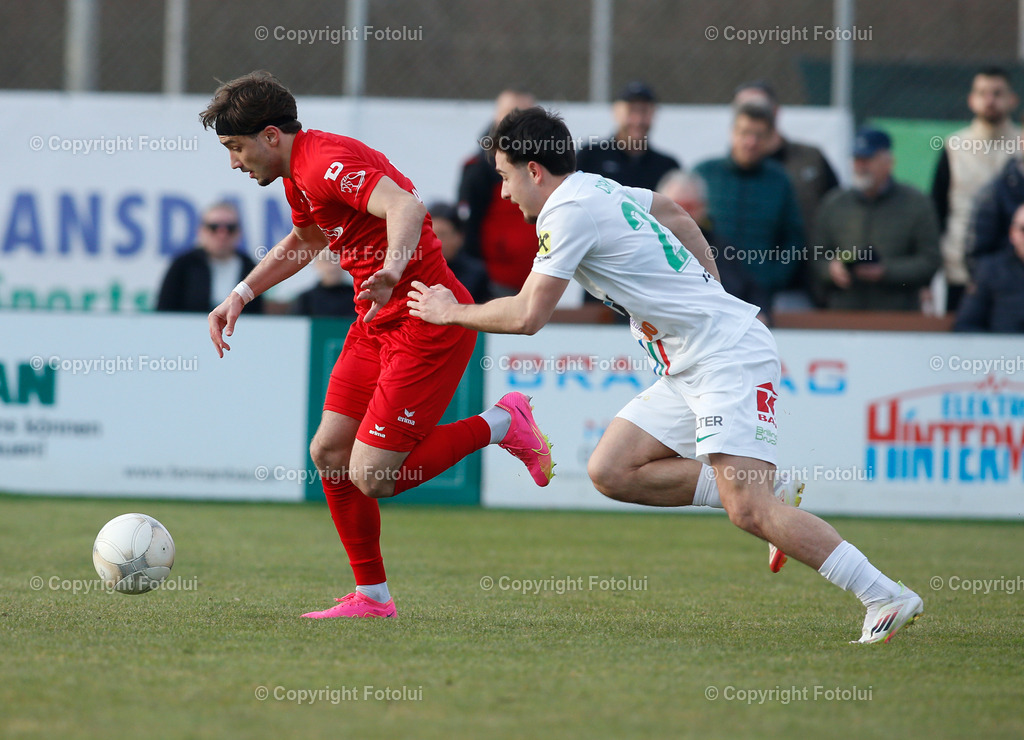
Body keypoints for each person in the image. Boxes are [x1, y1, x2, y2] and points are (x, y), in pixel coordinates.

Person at [409, 107, 923, 645]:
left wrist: (450, 312)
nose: (505, 192)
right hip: (689, 365)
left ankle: (883, 593)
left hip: (725, 357)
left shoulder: (565, 212)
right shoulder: (594, 187)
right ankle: (772, 487)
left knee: (748, 508)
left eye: (505, 177)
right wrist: (713, 290)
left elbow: (527, 316)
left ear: (534, 170)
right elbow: (674, 211)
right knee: (612, 469)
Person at [200, 71, 553, 619]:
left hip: (422, 323)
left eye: (236, 148)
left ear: (271, 136)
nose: (233, 163)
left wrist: (390, 271)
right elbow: (309, 240)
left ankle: (503, 423)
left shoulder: (320, 161)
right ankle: (372, 597)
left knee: (374, 476)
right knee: (329, 454)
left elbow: (407, 208)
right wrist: (242, 293)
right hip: (374, 323)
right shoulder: (298, 173)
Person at [732, 80, 839, 308]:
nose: (753, 114)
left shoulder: (810, 160)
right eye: (745, 109)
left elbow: (836, 213)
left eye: (759, 106)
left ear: (776, 111)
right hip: (734, 288)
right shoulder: (721, 173)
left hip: (802, 285)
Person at [814, 129, 941, 311]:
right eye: (857, 159)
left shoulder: (916, 203)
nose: (860, 166)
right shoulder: (833, 204)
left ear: (889, 162)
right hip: (844, 314)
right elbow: (815, 256)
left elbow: (930, 260)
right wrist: (832, 269)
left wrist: (885, 271)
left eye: (868, 159)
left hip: (899, 315)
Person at [693, 102, 805, 310]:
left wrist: (774, 276)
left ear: (771, 139)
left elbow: (793, 238)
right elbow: (684, 228)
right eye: (744, 132)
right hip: (708, 292)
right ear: (732, 133)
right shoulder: (704, 173)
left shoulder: (780, 181)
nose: (751, 142)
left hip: (760, 298)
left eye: (759, 135)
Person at [932, 67, 1019, 312]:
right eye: (982, 93)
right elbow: (938, 210)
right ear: (971, 100)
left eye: (997, 93)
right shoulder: (954, 148)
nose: (990, 100)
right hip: (961, 275)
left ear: (1013, 99)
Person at [656, 169, 769, 321]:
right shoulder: (645, 248)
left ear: (703, 207)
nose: (682, 214)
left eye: (689, 206)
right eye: (676, 206)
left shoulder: (723, 250)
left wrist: (760, 315)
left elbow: (752, 291)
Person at [457, 88, 538, 294]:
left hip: (539, 277)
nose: (517, 119)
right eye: (511, 112)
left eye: (526, 113)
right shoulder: (479, 168)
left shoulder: (545, 163)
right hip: (494, 282)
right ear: (497, 115)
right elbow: (468, 227)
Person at [156, 202, 264, 314]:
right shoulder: (183, 265)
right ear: (201, 231)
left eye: (230, 228)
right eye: (214, 227)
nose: (222, 235)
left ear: (239, 233)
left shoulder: (249, 266)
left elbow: (257, 313)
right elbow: (164, 310)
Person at [576, 81, 681, 191]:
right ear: (616, 112)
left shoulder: (667, 166)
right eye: (631, 111)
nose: (638, 120)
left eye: (644, 111)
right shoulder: (590, 157)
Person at [955, 202, 1024, 332]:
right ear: (1012, 233)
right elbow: (966, 325)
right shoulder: (990, 270)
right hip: (1003, 349)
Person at [428, 202, 491, 304]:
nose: (437, 241)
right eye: (431, 235)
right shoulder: (418, 271)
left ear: (459, 237)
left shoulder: (476, 275)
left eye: (443, 234)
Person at [291, 248, 357, 318]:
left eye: (337, 260)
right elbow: (295, 325)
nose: (332, 267)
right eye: (326, 261)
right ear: (317, 264)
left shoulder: (358, 296)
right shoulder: (306, 299)